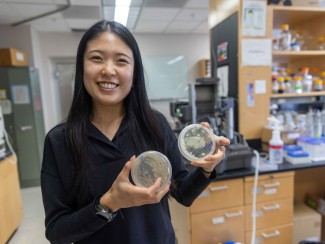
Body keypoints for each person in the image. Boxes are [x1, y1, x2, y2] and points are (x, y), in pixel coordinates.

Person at [41, 20, 230, 244]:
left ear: (134, 71)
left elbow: (183, 193)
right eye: (96, 58)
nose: (108, 70)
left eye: (121, 61)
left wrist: (207, 168)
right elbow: (56, 232)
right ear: (82, 67)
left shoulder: (155, 125)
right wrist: (109, 202)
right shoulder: (59, 141)